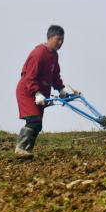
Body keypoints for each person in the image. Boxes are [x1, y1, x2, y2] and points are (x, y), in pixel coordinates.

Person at [14, 25, 79, 157]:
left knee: (37, 125)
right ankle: (20, 149)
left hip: (40, 93)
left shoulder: (54, 55)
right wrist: (36, 93)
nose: (60, 43)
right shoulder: (38, 54)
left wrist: (61, 89)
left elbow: (55, 76)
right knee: (34, 121)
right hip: (27, 91)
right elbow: (29, 77)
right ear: (50, 38)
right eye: (58, 39)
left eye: (62, 40)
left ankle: (26, 151)